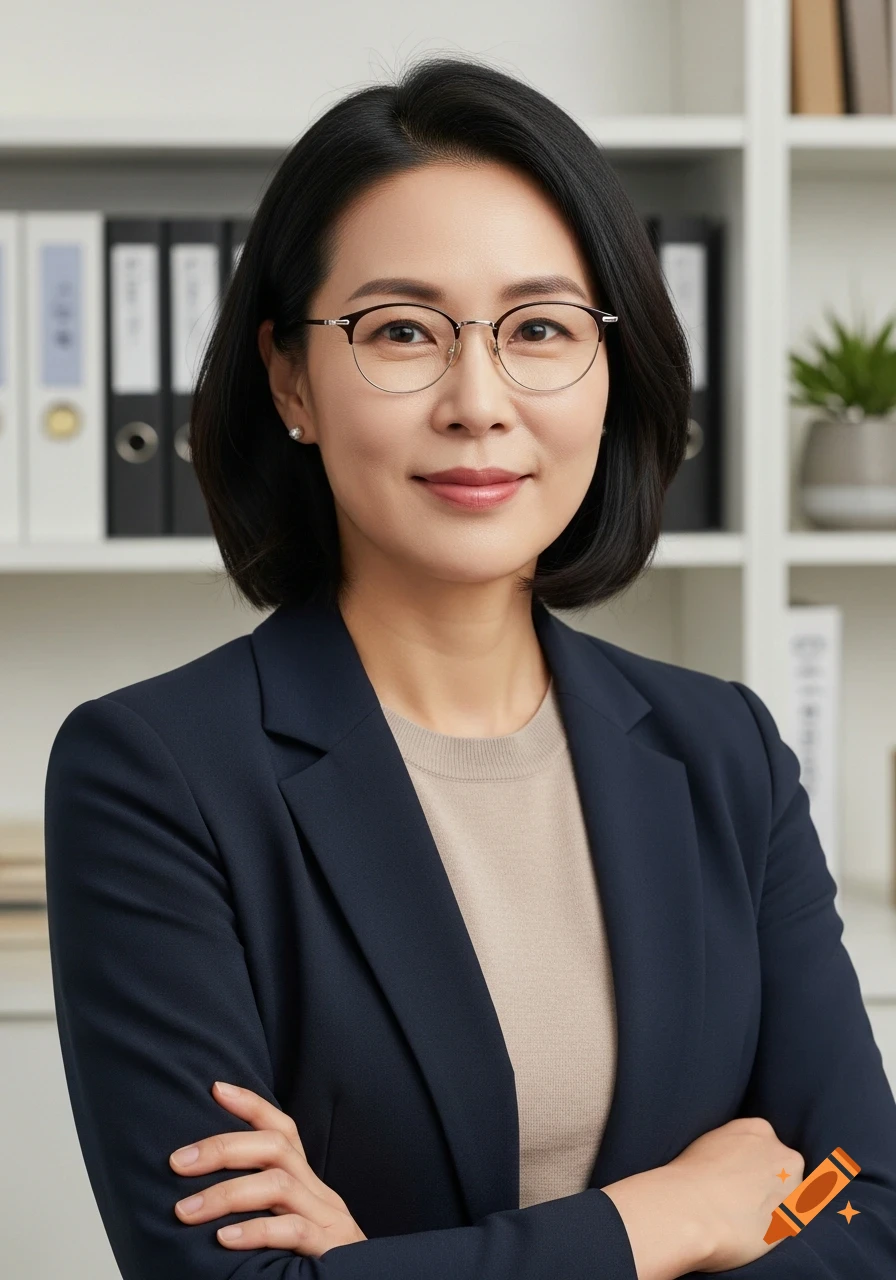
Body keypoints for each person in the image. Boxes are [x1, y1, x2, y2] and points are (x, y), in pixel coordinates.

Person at [44, 52, 896, 1280]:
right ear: (290, 378)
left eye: (540, 328)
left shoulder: (724, 752)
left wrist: (382, 1263)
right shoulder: (157, 773)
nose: (477, 399)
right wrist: (672, 1216)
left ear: (608, 372)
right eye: (400, 331)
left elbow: (869, 1220)